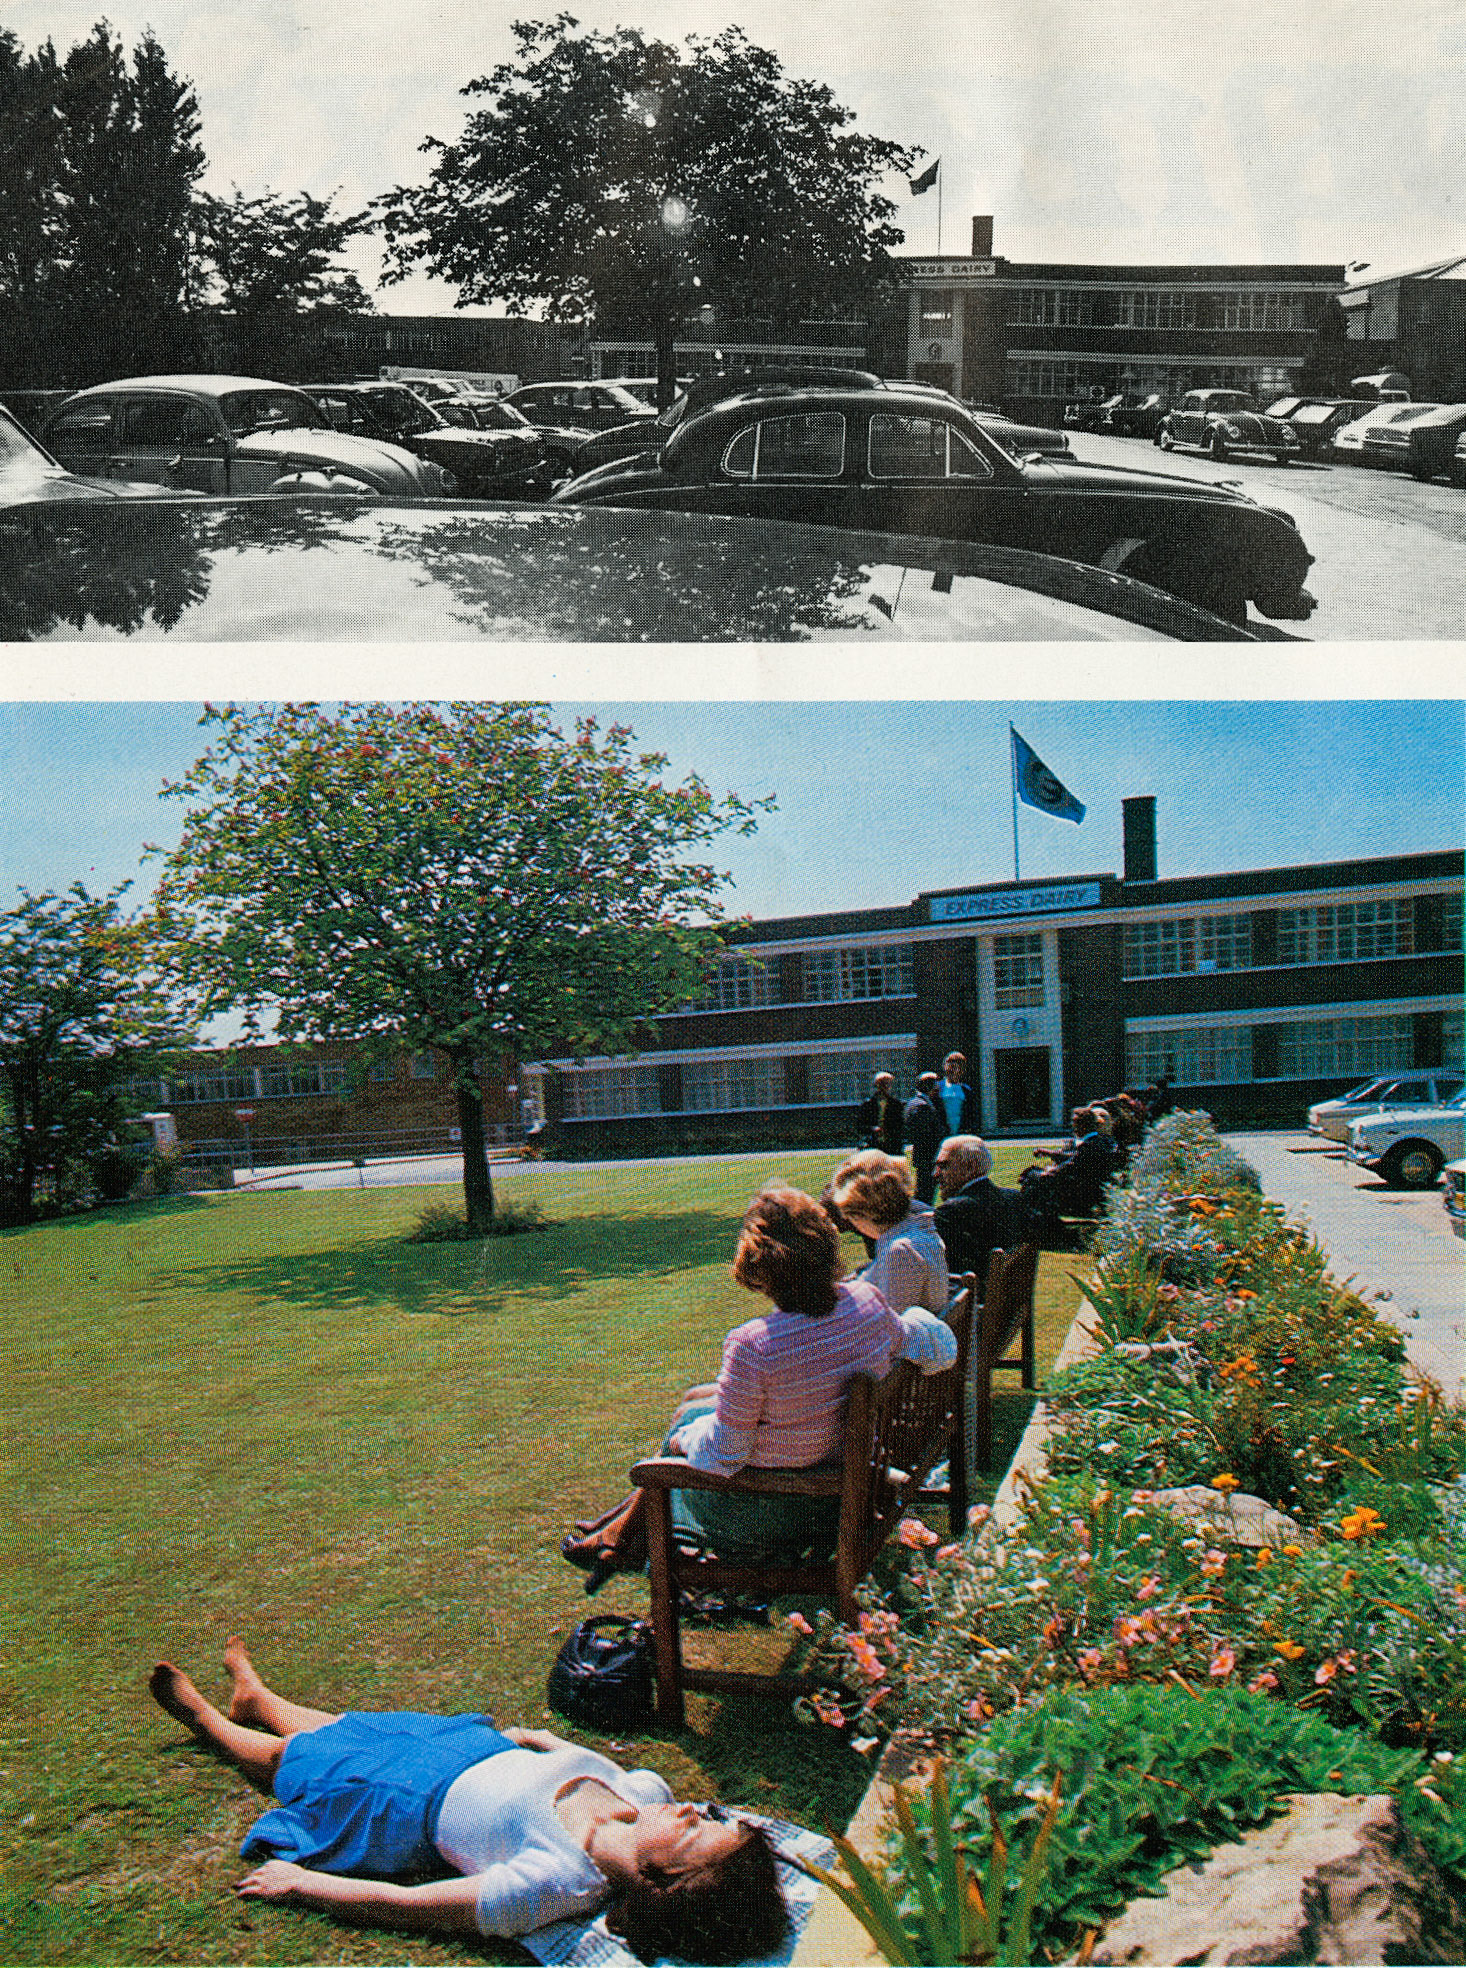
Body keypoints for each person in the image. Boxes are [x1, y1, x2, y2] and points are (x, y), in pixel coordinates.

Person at [148, 1640, 787, 1964]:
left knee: (299, 1762)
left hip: (409, 1801)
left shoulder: (549, 1885)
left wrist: (303, 1884)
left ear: (659, 1881)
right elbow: (586, 1765)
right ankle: (261, 1701)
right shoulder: (647, 1795)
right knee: (351, 1727)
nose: (694, 1810)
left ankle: (210, 1723)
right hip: (464, 1749)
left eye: (695, 1832)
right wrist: (541, 1742)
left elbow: (405, 1906)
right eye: (709, 1816)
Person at [565, 1186, 957, 1582]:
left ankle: (620, 1540)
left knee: (679, 1439)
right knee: (694, 1410)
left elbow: (726, 1454)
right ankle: (617, 1536)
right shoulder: (868, 1303)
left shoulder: (754, 1345)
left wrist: (684, 1439)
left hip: (783, 1507)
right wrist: (928, 1324)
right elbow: (926, 1343)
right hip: (848, 1487)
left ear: (759, 1268)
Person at [827, 1148, 949, 1312]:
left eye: (850, 1215)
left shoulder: (901, 1252)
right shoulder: (920, 1229)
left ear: (862, 1212)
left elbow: (891, 1321)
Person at [932, 1136, 1035, 1291]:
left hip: (972, 1301)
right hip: (1010, 1299)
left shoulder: (951, 1212)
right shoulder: (1015, 1199)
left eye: (944, 1166)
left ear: (970, 1168)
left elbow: (950, 1274)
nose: (936, 1174)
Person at [903, 1070, 945, 1204]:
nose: (938, 1088)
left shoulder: (914, 1102)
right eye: (935, 1084)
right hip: (927, 1156)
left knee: (924, 1191)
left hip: (923, 1156)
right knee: (925, 1193)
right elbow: (926, 1134)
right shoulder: (921, 1106)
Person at [856, 1071, 904, 1156]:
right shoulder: (867, 1104)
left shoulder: (896, 1104)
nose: (885, 1086)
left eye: (887, 1083)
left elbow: (900, 1126)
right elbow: (860, 1126)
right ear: (876, 1085)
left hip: (892, 1146)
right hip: (872, 1145)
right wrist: (873, 1129)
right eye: (882, 1083)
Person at [935, 1052, 979, 1141]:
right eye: (949, 1068)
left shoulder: (966, 1090)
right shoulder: (937, 1088)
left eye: (955, 1068)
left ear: (961, 1070)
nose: (952, 1071)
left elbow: (972, 1114)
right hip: (942, 1135)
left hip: (961, 1135)